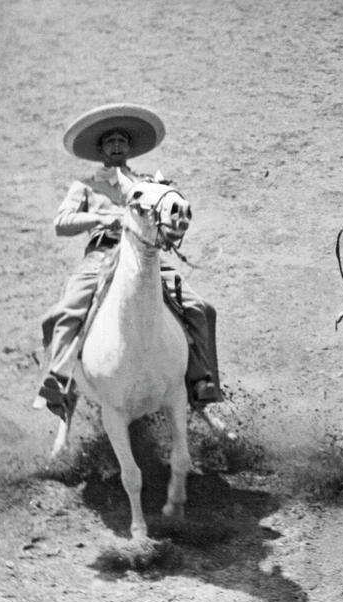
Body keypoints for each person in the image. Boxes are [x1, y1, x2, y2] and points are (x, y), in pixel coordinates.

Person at [35, 103, 222, 421]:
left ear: (129, 146)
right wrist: (102, 217)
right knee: (63, 312)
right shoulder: (86, 186)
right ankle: (58, 380)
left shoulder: (148, 183)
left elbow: (169, 213)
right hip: (102, 257)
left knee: (201, 308)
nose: (117, 146)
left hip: (147, 256)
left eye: (121, 140)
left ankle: (202, 380)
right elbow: (61, 222)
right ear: (100, 149)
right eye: (110, 142)